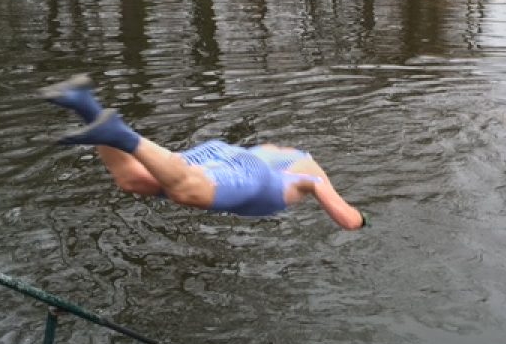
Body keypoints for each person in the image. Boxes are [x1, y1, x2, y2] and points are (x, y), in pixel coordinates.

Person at [41, 74, 367, 230]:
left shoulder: (273, 151)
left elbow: (245, 159)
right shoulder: (308, 172)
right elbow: (349, 220)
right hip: (252, 175)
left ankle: (86, 105)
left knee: (133, 179)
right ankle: (117, 134)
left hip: (221, 152)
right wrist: (364, 221)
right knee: (187, 190)